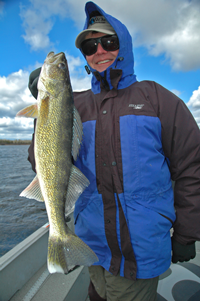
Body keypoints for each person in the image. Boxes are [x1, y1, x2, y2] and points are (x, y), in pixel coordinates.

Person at [27, 2, 200, 300]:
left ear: (124, 44)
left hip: (140, 253)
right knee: (98, 293)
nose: (99, 51)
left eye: (108, 41)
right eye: (90, 46)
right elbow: (42, 161)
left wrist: (187, 231)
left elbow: (192, 167)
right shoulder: (75, 105)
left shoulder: (158, 99)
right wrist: (45, 115)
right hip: (92, 246)